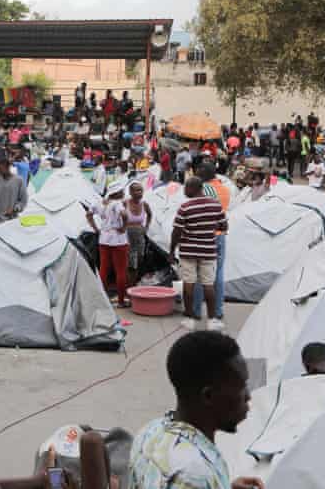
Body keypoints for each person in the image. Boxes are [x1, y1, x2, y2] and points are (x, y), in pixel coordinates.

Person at [127, 331, 264, 489]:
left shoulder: (149, 432)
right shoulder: (194, 475)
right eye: (241, 387)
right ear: (209, 396)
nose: (248, 396)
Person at [170, 177, 228, 331]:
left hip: (188, 251)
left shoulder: (185, 207)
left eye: (186, 188)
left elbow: (176, 231)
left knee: (188, 284)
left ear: (192, 189)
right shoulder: (215, 205)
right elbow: (224, 225)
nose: (184, 191)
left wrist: (171, 250)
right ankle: (212, 320)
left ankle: (189, 318)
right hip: (208, 250)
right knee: (209, 285)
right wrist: (210, 227)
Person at [191, 163, 231, 323]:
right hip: (220, 234)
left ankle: (196, 310)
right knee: (219, 273)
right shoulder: (225, 190)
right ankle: (218, 310)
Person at [87, 185, 130, 307]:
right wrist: (124, 227)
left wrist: (95, 228)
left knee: (104, 269)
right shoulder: (117, 204)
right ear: (116, 193)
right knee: (120, 271)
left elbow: (88, 214)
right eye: (121, 191)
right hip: (118, 239)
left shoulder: (99, 203)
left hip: (104, 238)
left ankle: (103, 299)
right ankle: (121, 300)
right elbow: (125, 215)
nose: (123, 193)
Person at [125, 182, 152, 287]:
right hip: (127, 234)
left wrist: (146, 227)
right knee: (131, 262)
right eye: (136, 190)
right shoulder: (125, 203)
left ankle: (134, 282)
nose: (139, 193)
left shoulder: (144, 204)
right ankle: (130, 285)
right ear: (130, 192)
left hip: (140, 234)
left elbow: (150, 215)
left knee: (140, 257)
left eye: (141, 190)